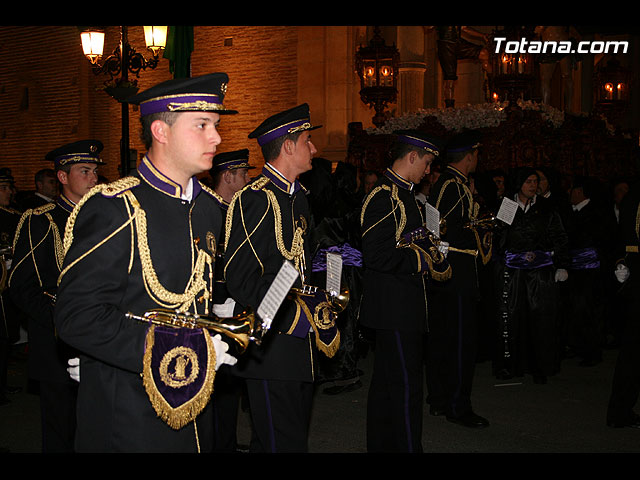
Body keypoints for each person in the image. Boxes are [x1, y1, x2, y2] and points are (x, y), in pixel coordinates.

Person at [52, 73, 238, 453]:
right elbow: (77, 316)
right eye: (202, 125)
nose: (216, 138)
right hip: (130, 412)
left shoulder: (208, 209)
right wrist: (183, 349)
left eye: (215, 126)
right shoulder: (116, 208)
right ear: (161, 130)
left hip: (195, 403)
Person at [223, 103, 339, 453]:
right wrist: (294, 314)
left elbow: (295, 265)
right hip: (271, 346)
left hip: (297, 346)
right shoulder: (255, 199)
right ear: (287, 146)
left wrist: (320, 295)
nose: (314, 149)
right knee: (282, 442)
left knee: (284, 439)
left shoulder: (297, 198)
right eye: (308, 140)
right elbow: (241, 279)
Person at [9, 141, 104, 452]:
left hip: (101, 343)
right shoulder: (41, 220)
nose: (94, 178)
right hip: (56, 347)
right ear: (62, 177)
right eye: (85, 171)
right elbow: (22, 286)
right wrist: (62, 323)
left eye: (95, 171)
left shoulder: (106, 217)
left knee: (97, 432)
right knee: (61, 433)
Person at [360, 129, 450, 452]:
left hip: (402, 307)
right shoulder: (383, 195)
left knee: (387, 387)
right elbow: (377, 254)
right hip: (394, 309)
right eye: (426, 162)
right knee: (405, 388)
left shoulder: (405, 193)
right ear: (412, 157)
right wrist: (422, 259)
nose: (428, 171)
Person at [426, 130, 491, 428]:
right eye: (476, 154)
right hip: (458, 271)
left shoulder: (451, 183)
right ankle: (457, 405)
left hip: (450, 271)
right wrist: (478, 227)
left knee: (444, 338)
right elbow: (443, 227)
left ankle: (440, 399)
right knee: (461, 342)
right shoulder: (453, 185)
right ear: (469, 156)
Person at [493, 167, 570, 385]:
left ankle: (540, 367)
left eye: (535, 181)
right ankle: (510, 366)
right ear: (519, 183)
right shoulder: (506, 205)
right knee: (511, 317)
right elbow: (499, 237)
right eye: (528, 181)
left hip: (540, 272)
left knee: (541, 318)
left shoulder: (546, 208)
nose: (533, 185)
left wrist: (562, 265)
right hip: (513, 271)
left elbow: (560, 236)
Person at [207, 149, 254, 453]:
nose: (249, 179)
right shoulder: (209, 209)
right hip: (215, 307)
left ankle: (225, 441)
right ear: (228, 176)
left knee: (230, 382)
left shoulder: (236, 209)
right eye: (244, 174)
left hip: (233, 307)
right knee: (218, 382)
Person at [606, 182, 640, 428]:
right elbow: (623, 237)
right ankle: (620, 412)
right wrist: (622, 261)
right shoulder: (633, 197)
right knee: (633, 349)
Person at [565, 176, 606, 367]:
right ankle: (579, 346)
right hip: (575, 270)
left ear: (580, 192)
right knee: (576, 310)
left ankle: (592, 351)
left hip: (589, 271)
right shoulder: (572, 212)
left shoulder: (594, 213)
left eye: (572, 189)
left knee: (588, 310)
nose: (569, 193)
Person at [0, 168, 22, 406]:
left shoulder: (13, 214)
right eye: (3, 188)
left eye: (9, 188)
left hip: (7, 288)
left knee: (5, 339)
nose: (9, 192)